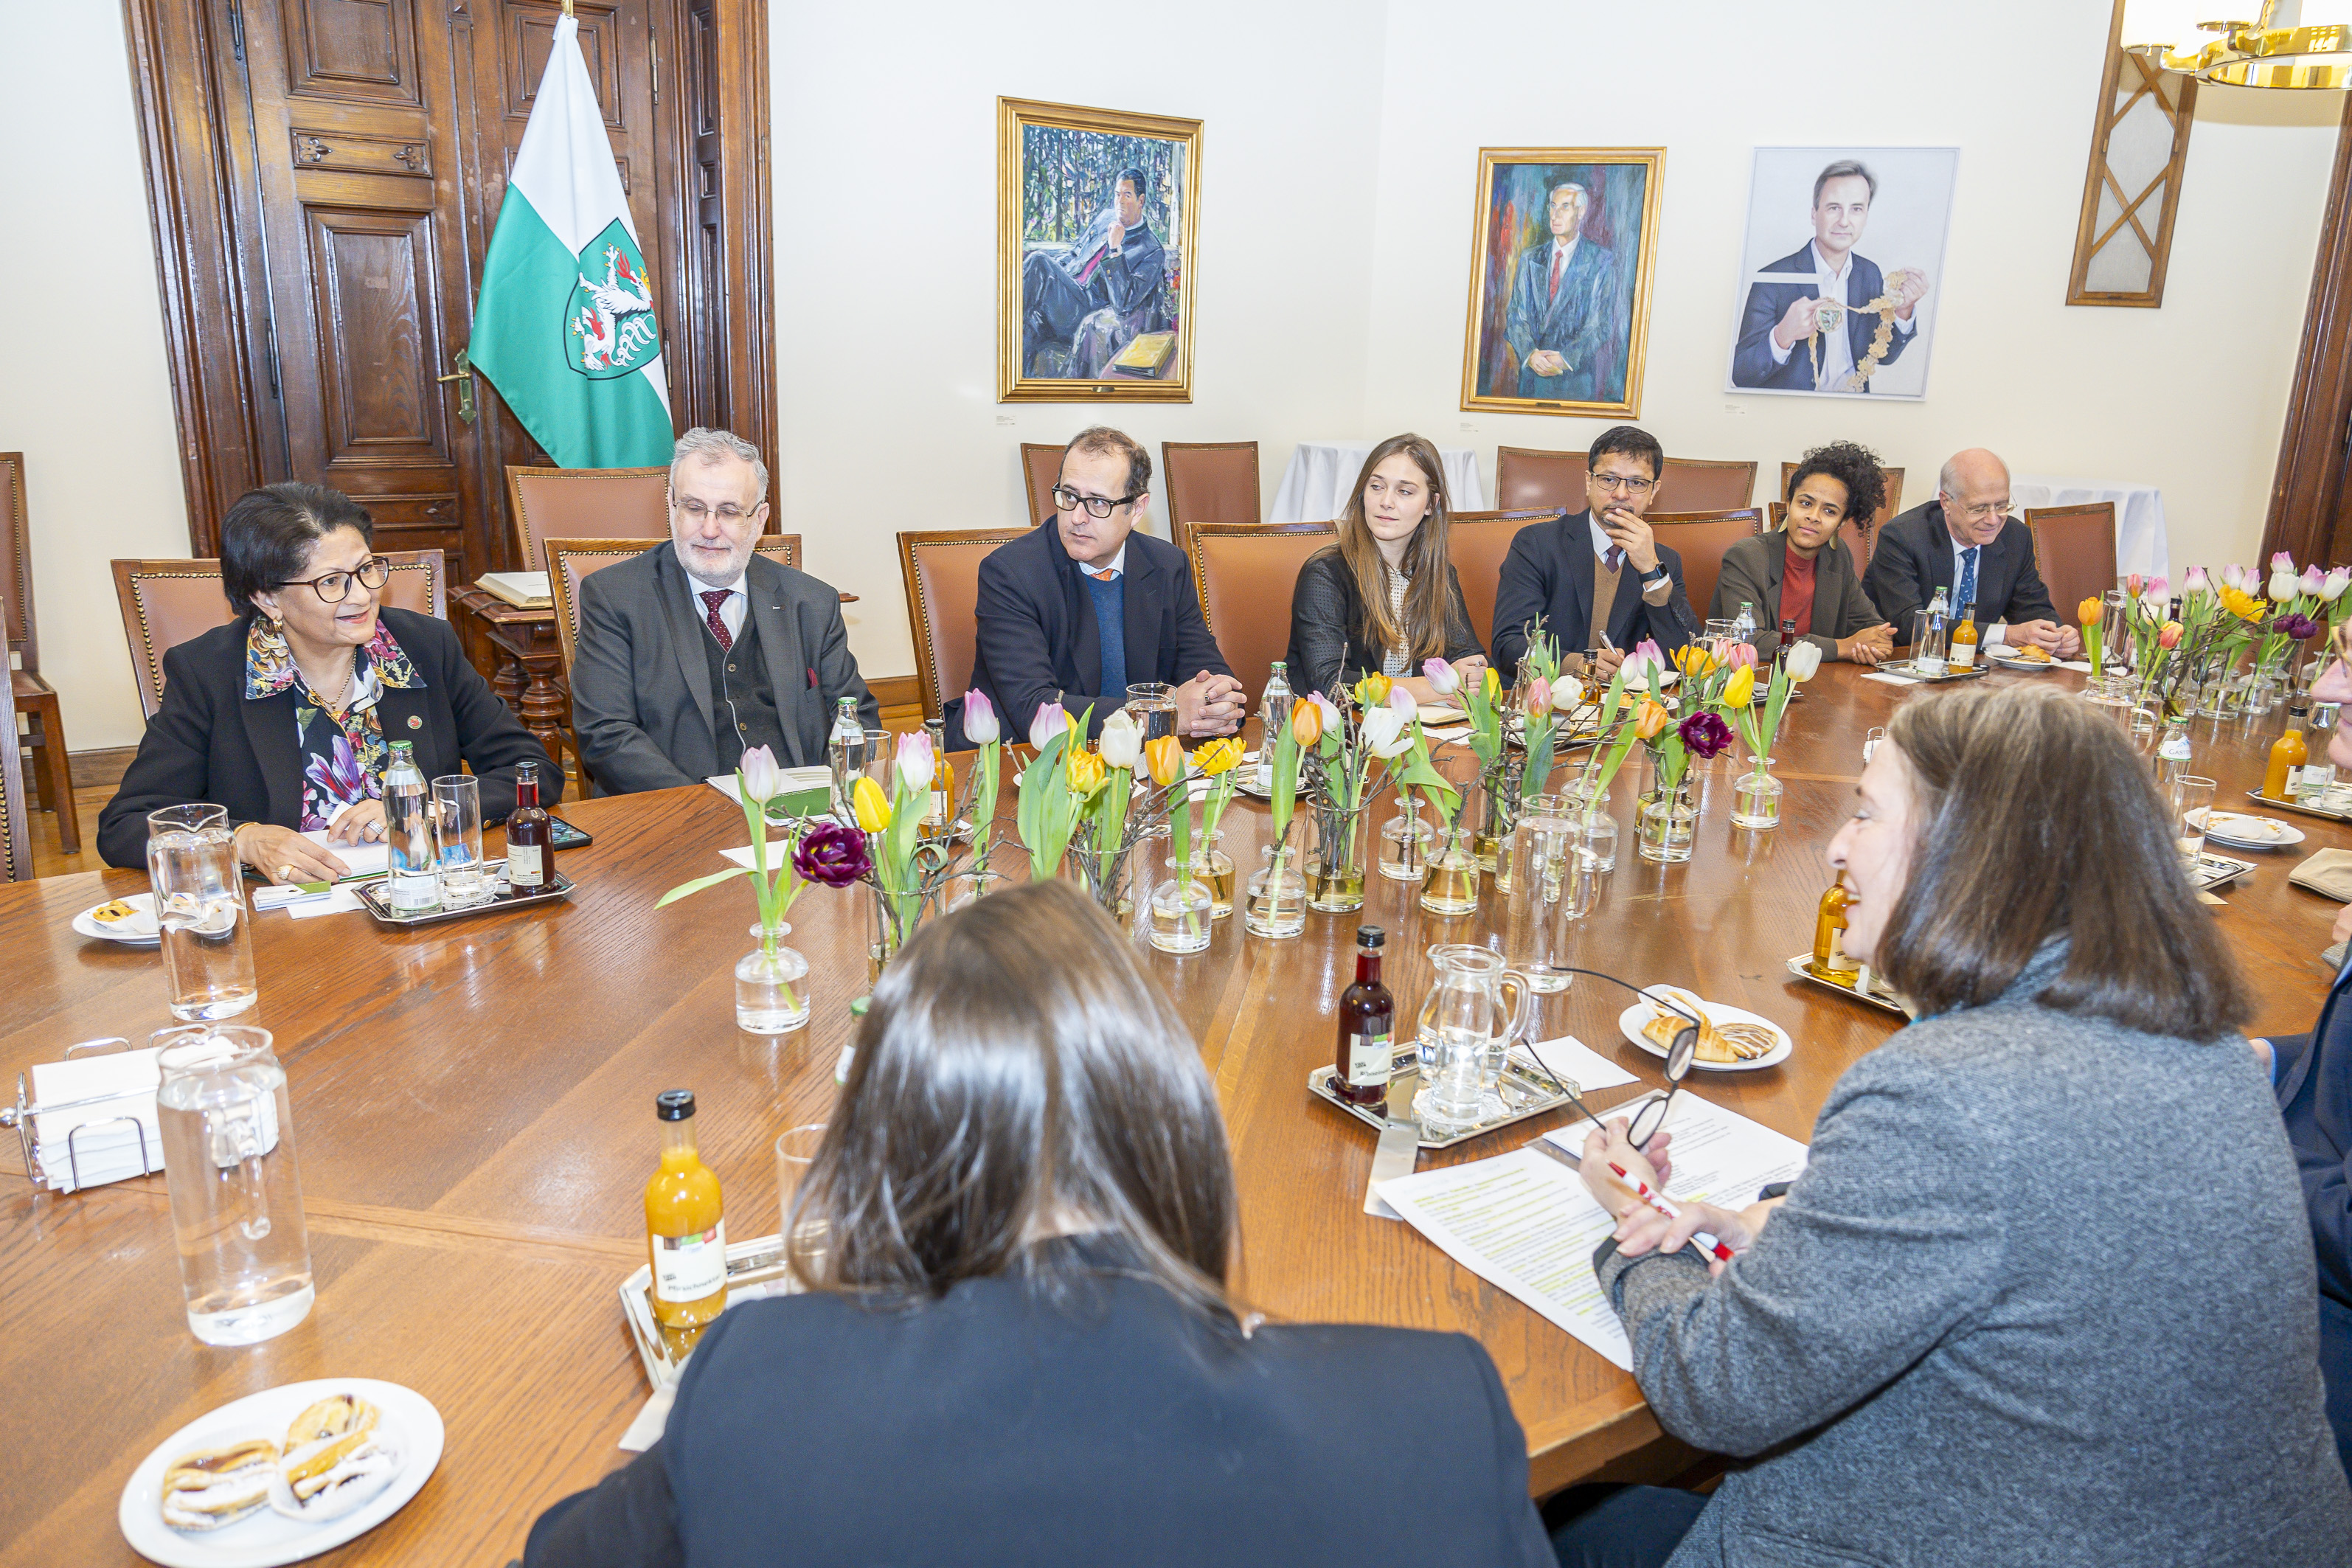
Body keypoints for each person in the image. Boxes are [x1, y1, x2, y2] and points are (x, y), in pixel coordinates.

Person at [520, 881, 1556, 1568]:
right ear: (1174, 1121)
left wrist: (704, 1425)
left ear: (884, 1150)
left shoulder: (758, 1393)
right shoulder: (1433, 1420)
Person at [1548, 684, 2351, 1568]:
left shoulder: (1947, 1094)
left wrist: (1637, 1235)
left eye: (1866, 815)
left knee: (1541, 1525)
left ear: (1968, 854)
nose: (1838, 847)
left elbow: (1716, 1389)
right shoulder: (2203, 1047)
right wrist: (1770, 1221)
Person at [97, 483, 558, 878]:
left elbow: (531, 771)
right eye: (332, 582)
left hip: (422, 889)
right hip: (291, 922)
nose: (361, 595)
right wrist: (243, 841)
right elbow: (126, 825)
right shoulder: (210, 673)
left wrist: (431, 809)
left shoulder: (422, 647)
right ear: (267, 598)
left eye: (365, 570)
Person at [569, 428, 876, 794]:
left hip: (801, 813)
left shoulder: (811, 602)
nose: (710, 529)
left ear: (759, 519)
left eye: (729, 512)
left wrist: (827, 804)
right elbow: (606, 735)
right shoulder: (615, 597)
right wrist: (701, 812)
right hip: (678, 812)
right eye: (694, 508)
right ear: (671, 506)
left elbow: (857, 718)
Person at [951, 426, 1240, 748]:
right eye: (1070, 495)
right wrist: (1160, 715)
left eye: (1098, 502)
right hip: (1025, 760)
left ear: (1137, 509)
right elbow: (1034, 707)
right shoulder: (1010, 573)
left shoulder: (1167, 565)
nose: (1077, 517)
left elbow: (1205, 671)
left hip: (1140, 762)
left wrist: (1217, 701)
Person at [2252, 618, 2352, 1477]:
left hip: (2317, 1364)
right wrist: (2271, 1059)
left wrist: (2229, 1149)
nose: (2323, 692)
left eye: (2351, 668)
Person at [1286, 434, 1488, 702]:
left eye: (1404, 491)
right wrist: (1437, 686)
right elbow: (1330, 685)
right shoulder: (1325, 573)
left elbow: (1467, 655)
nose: (1386, 502)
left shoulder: (1440, 573)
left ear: (1431, 504)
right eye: (1377, 487)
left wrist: (1473, 673)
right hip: (1338, 734)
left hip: (1417, 726)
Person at [1488, 423, 1699, 679]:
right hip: (1549, 699)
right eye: (1608, 479)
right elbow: (1509, 645)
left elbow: (1685, 657)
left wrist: (1651, 572)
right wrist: (1578, 664)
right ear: (1589, 482)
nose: (1621, 494)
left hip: (1624, 706)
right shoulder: (1537, 544)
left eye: (1637, 483)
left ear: (1653, 491)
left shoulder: (1664, 561)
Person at [1730, 159, 1929, 395]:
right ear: (1814, 214)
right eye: (1834, 207)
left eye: (1856, 209)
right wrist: (1782, 336)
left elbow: (1881, 356)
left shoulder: (1869, 273)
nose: (1844, 221)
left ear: (1866, 216)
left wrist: (1903, 311)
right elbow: (1741, 375)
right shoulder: (1772, 279)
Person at [1862, 448, 2078, 656]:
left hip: (1976, 667)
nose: (1993, 520)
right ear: (1946, 502)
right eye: (1979, 508)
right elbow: (1912, 625)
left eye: (2002, 505)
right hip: (1903, 659)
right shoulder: (1902, 537)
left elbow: (2032, 607)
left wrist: (2056, 636)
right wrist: (2006, 635)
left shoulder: (2015, 537)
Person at [1708, 440, 1894, 665]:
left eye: (1829, 510)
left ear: (1843, 521)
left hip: (1817, 683)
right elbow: (1748, 642)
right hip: (1751, 684)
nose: (1813, 516)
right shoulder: (1746, 556)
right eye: (1806, 503)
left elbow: (1870, 626)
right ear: (1789, 504)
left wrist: (1877, 642)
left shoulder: (1838, 556)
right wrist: (1841, 647)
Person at [1020, 167, 1168, 379]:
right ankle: (1018, 385)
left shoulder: (1150, 250)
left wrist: (1116, 250)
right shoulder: (1106, 218)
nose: (1120, 202)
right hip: (1069, 292)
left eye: (1127, 195)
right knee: (1029, 324)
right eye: (1118, 195)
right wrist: (1058, 272)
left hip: (1086, 308)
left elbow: (1124, 303)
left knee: (1038, 261)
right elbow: (1075, 253)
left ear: (1141, 201)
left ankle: (1001, 319)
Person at [1505, 175, 1619, 403]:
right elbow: (1516, 317)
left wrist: (1564, 358)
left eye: (1565, 207)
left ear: (1581, 211)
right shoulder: (1531, 258)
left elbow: (1601, 325)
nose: (1555, 215)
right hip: (1530, 381)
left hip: (1573, 383)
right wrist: (1530, 354)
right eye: (1553, 206)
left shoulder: (1601, 261)